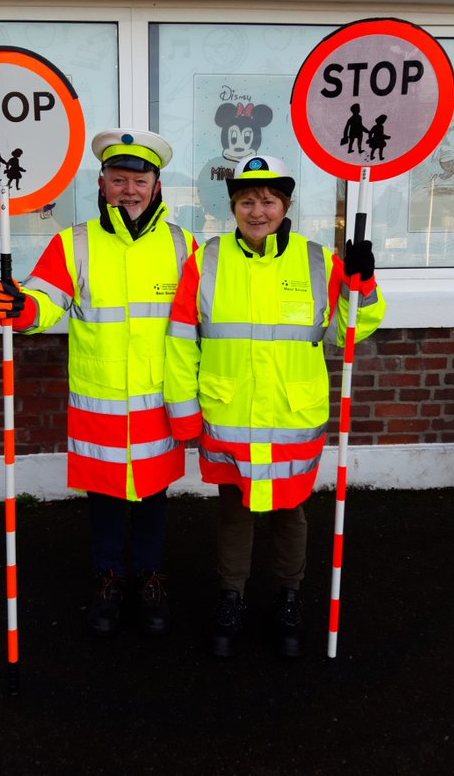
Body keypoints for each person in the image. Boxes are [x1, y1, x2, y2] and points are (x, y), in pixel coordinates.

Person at [163, 153, 386, 658]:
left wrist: (362, 283)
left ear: (285, 204)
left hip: (291, 418)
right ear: (233, 206)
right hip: (229, 414)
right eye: (246, 200)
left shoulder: (317, 260)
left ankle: (289, 597)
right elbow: (180, 340)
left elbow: (351, 331)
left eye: (268, 200)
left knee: (290, 512)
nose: (257, 210)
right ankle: (231, 597)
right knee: (234, 511)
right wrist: (183, 411)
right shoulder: (207, 259)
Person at [0, 129, 197, 638]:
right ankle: (108, 577)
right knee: (104, 498)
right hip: (99, 403)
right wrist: (22, 309)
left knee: (153, 498)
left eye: (139, 179)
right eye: (118, 179)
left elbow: (206, 320)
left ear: (157, 185)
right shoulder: (73, 243)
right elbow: (45, 301)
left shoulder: (184, 244)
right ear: (102, 184)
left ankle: (149, 578)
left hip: (158, 404)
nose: (129, 189)